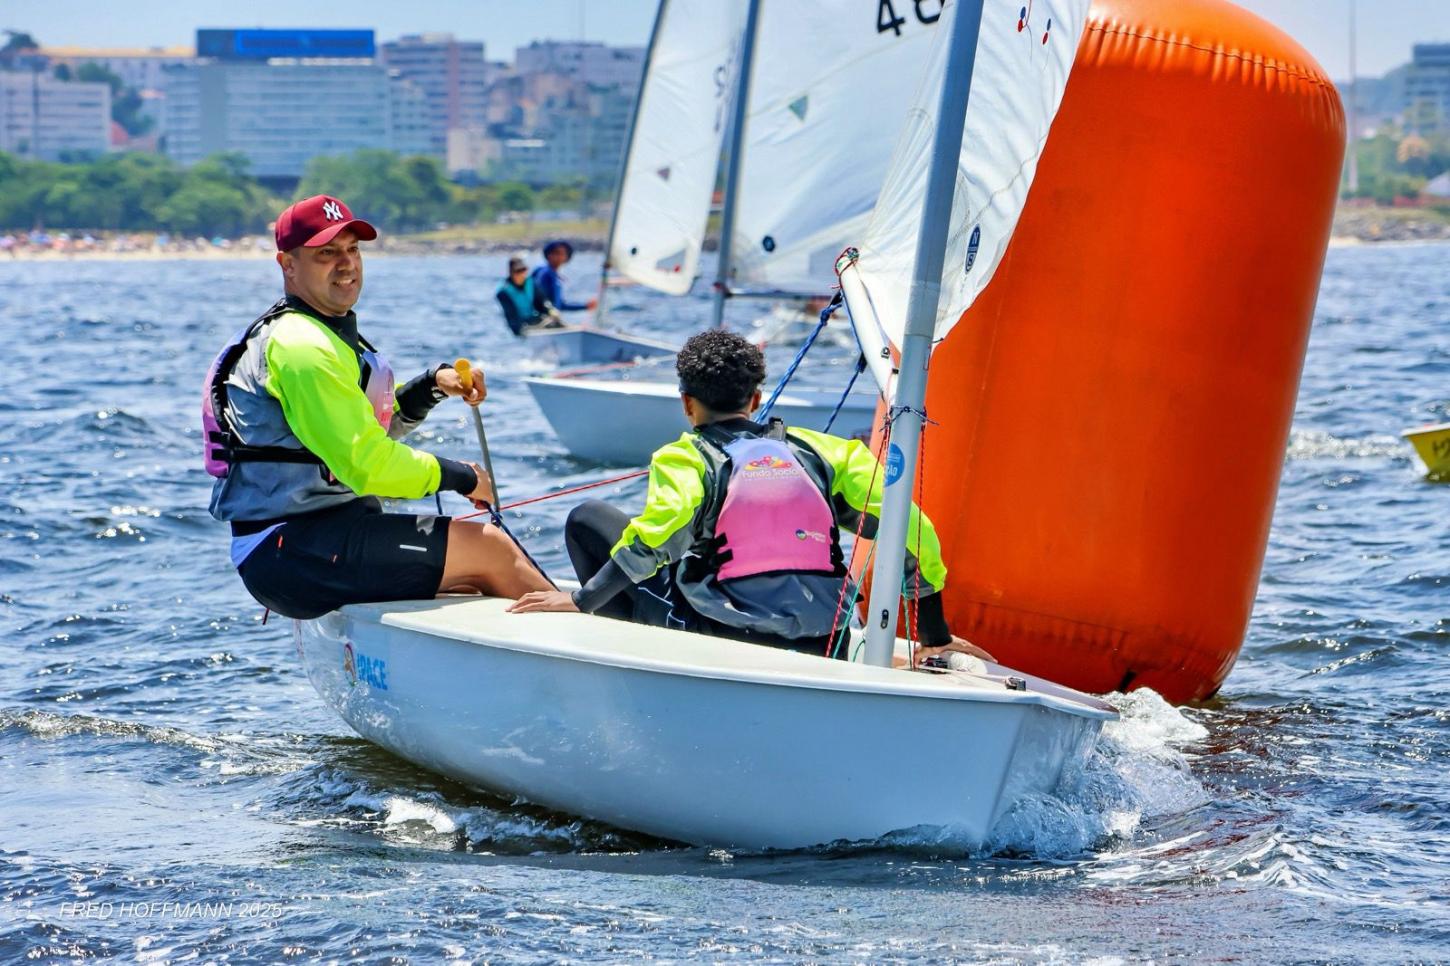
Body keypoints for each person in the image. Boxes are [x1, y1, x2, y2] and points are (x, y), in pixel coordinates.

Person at [509, 329, 992, 665]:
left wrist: (583, 599)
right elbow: (915, 535)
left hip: (725, 639)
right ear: (756, 400)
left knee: (587, 519)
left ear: (686, 403)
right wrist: (933, 637)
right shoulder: (826, 452)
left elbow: (657, 538)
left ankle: (636, 657)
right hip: (828, 641)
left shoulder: (685, 459)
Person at [205, 194, 552, 619]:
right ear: (287, 264)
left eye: (352, 249)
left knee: (471, 575)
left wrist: (432, 386)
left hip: (309, 541)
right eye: (326, 253)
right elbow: (366, 464)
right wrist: (462, 477)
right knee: (491, 550)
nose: (346, 263)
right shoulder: (301, 347)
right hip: (295, 550)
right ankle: (590, 649)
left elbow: (365, 425)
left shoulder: (318, 333)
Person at [495, 256, 564, 336]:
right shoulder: (503, 291)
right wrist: (521, 330)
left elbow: (542, 301)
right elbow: (511, 315)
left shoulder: (531, 282)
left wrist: (550, 310)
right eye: (518, 271)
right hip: (520, 325)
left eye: (523, 270)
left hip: (535, 319)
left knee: (554, 322)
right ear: (511, 273)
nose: (521, 274)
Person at [530, 240, 597, 316]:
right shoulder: (546, 273)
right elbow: (541, 301)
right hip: (543, 320)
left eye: (563, 253)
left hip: (552, 318)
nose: (560, 256)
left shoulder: (553, 275)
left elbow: (559, 305)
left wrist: (585, 306)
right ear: (548, 255)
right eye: (556, 253)